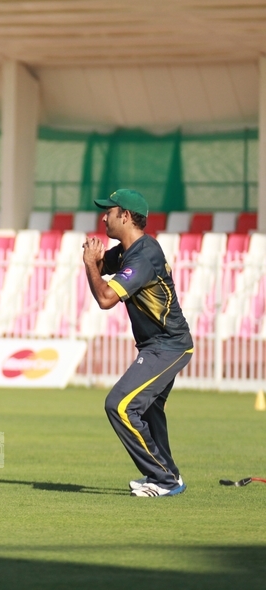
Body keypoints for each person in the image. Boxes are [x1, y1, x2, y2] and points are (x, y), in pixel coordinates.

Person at [82, 188, 194, 497]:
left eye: (110, 211)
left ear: (126, 216)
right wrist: (94, 260)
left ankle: (163, 479)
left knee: (118, 405)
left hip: (168, 345)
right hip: (159, 345)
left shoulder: (143, 256)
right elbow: (103, 266)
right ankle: (168, 477)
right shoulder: (131, 250)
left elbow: (105, 298)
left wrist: (91, 264)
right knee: (146, 411)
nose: (104, 216)